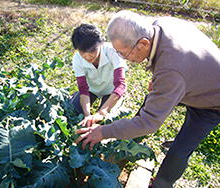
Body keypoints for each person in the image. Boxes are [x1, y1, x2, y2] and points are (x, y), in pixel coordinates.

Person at [75, 10, 220, 188]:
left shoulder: (171, 72)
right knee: (151, 102)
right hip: (195, 76)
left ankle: (161, 185)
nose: (122, 58)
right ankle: (131, 141)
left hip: (212, 101)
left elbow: (149, 122)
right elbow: (174, 63)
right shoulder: (160, 25)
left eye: (123, 53)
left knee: (180, 149)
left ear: (143, 43)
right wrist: (162, 79)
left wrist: (102, 132)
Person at [70, 23, 128, 127]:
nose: (87, 56)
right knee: (71, 111)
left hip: (111, 91)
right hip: (91, 90)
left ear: (101, 43)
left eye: (92, 50)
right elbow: (83, 88)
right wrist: (87, 115)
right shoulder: (77, 59)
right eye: (83, 52)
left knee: (106, 121)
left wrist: (101, 113)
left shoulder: (113, 51)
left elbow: (120, 85)